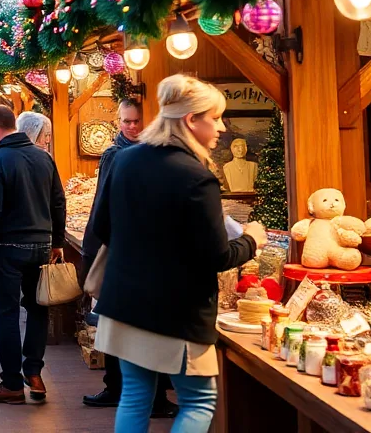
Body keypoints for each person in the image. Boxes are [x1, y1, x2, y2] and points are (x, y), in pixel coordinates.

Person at [92, 75, 266, 433]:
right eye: (215, 117)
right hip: (176, 312)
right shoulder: (197, 177)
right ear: (190, 120)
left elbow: (102, 228)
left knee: (135, 396)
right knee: (199, 401)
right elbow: (217, 257)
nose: (222, 127)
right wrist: (252, 239)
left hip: (125, 301)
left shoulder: (125, 160)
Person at [81, 98, 176, 417]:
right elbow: (103, 204)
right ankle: (124, 390)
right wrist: (98, 247)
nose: (132, 127)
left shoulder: (153, 152)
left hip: (135, 253)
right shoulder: (116, 155)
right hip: (125, 252)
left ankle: (131, 391)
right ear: (118, 122)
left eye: (137, 121)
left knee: (129, 325)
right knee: (126, 325)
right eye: (127, 121)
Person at [0, 105, 66, 405]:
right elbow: (58, 202)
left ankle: (12, 383)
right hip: (41, 245)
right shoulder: (44, 158)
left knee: (8, 314)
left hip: (9, 247)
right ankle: (35, 373)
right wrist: (57, 241)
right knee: (38, 309)